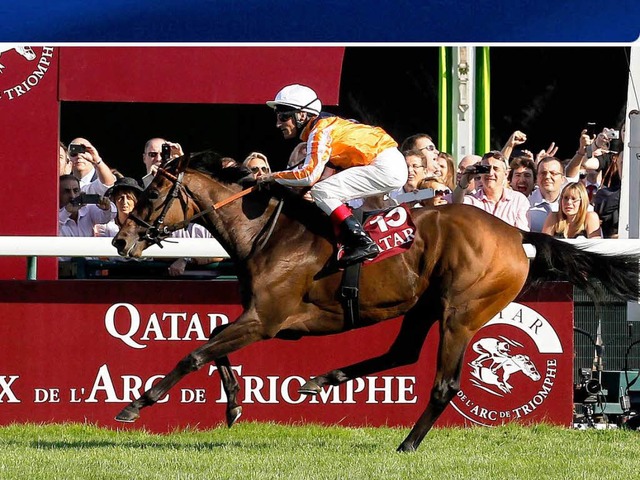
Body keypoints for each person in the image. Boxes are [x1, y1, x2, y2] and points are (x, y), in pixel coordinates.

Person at [264, 84, 407, 266]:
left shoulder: (320, 131)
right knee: (324, 191)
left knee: (322, 191)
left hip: (386, 166)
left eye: (283, 116)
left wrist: (272, 177)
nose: (278, 124)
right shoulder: (326, 126)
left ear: (301, 115)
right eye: (278, 117)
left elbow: (308, 175)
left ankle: (361, 242)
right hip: (388, 163)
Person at [99, 176, 223, 275]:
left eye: (129, 198)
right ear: (114, 200)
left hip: (158, 278)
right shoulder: (106, 227)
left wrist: (186, 259)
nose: (124, 202)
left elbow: (219, 254)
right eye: (120, 198)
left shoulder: (160, 226)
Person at [454, 151, 530, 230]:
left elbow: (522, 235)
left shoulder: (518, 200)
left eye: (496, 169)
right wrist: (465, 179)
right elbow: (454, 206)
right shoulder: (471, 201)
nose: (490, 173)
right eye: (486, 169)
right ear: (480, 173)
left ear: (506, 174)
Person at [527, 156, 567, 233]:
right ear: (537, 178)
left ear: (563, 179)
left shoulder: (572, 203)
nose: (547, 177)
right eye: (543, 173)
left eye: (553, 173)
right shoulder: (525, 205)